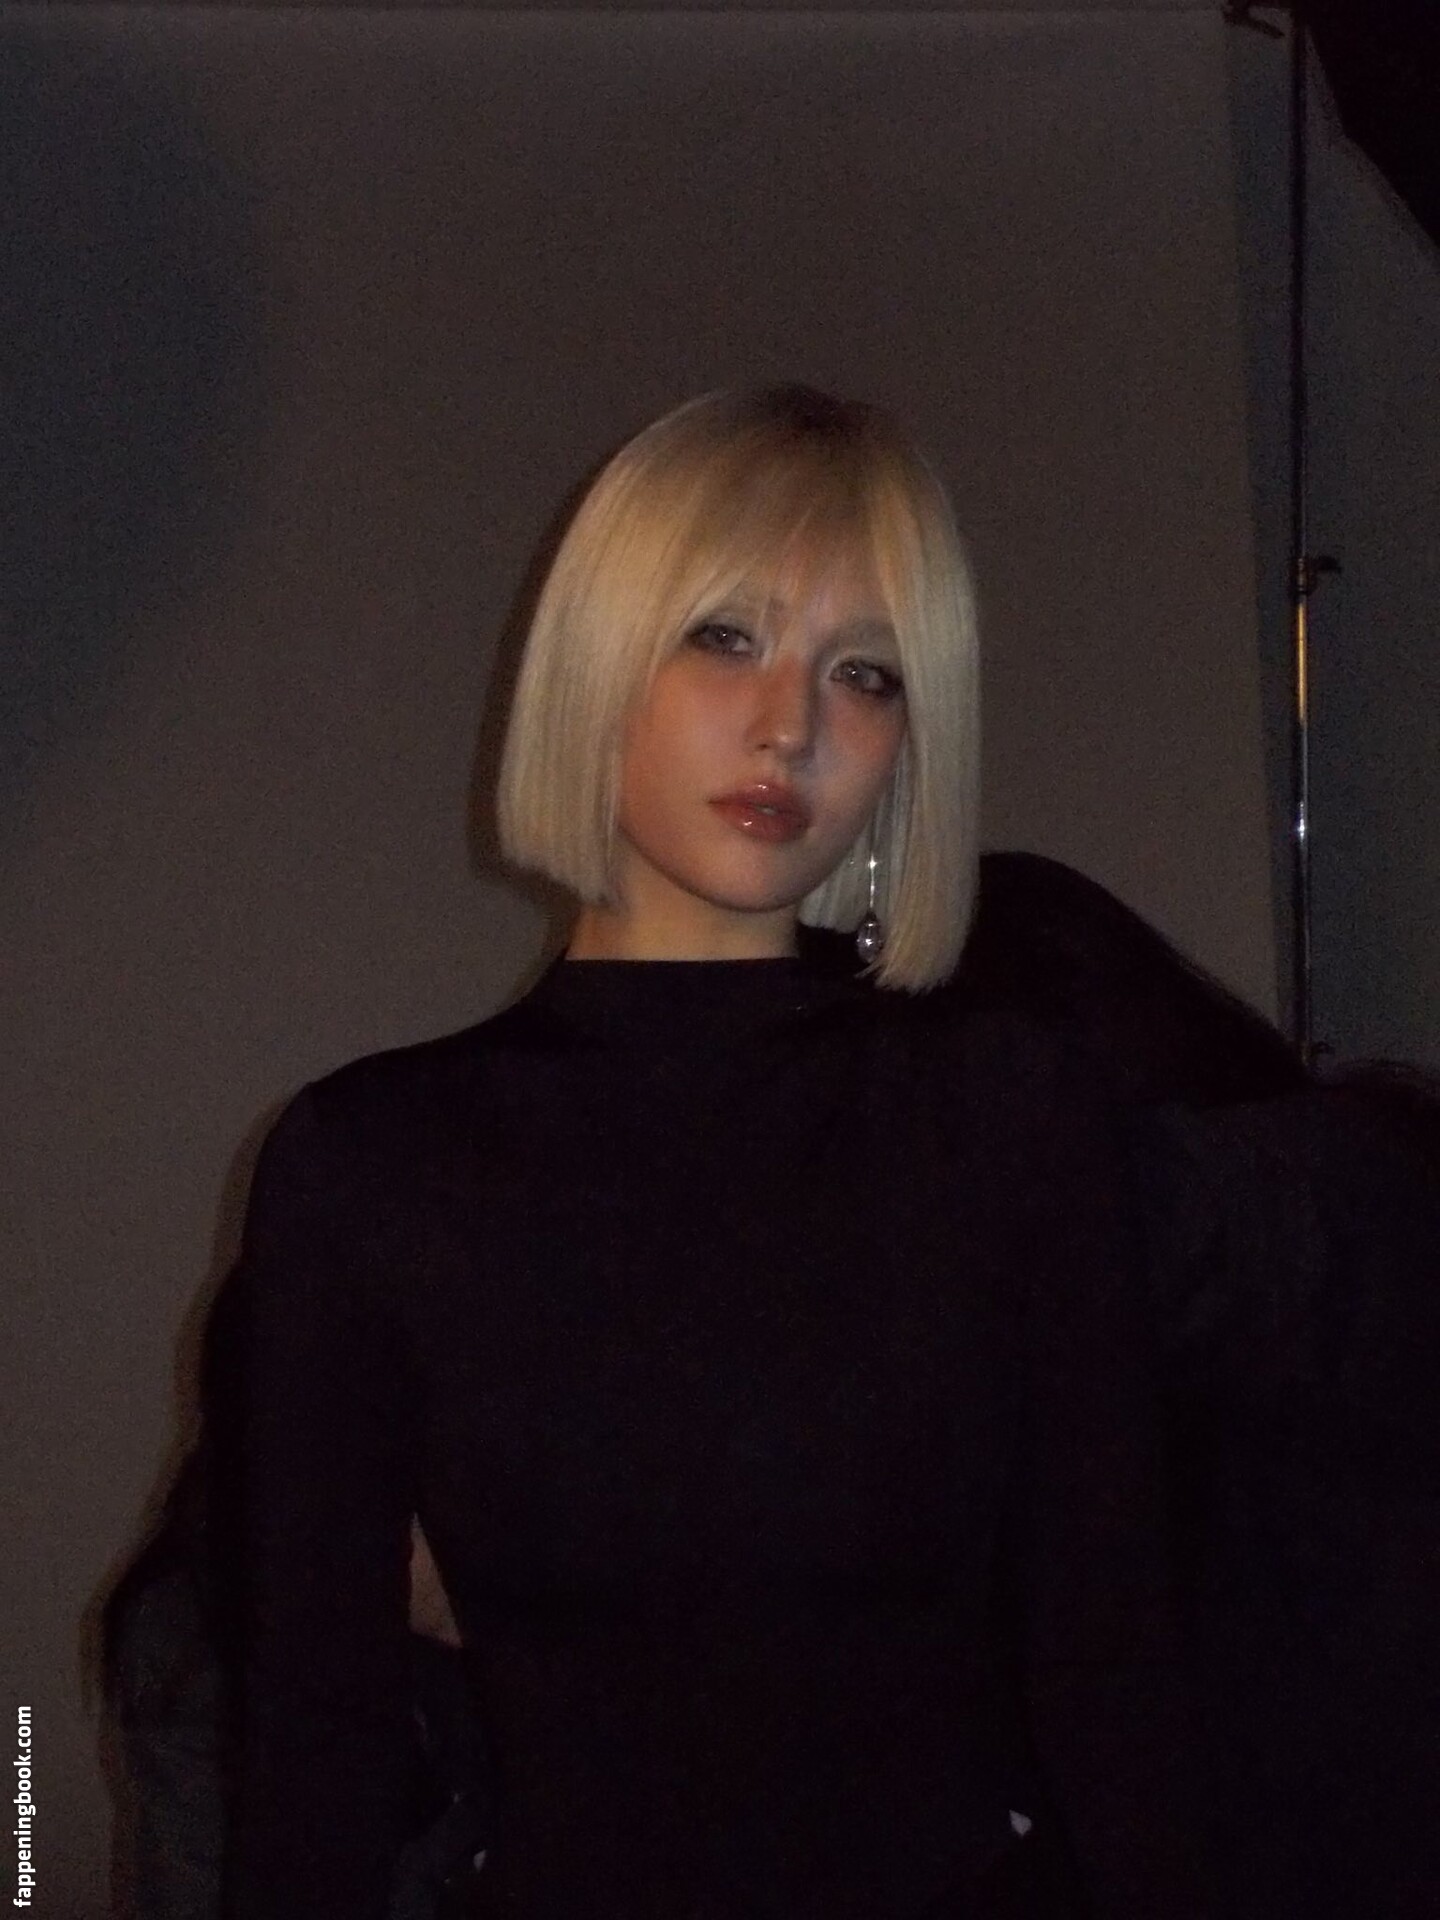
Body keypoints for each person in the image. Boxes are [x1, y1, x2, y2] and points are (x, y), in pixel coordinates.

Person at [208, 385, 1211, 1918]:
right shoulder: (372, 1165)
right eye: (725, 637)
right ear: (596, 666)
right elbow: (313, 1748)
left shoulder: (1005, 1113)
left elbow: (1116, 1667)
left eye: (864, 673)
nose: (790, 725)